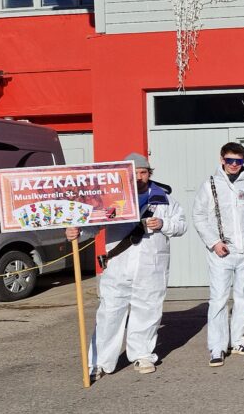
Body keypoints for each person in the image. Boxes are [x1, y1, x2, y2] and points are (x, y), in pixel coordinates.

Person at [65, 152, 187, 379]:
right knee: (109, 313)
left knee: (148, 310)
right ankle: (98, 362)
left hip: (151, 265)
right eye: (134, 173)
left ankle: (142, 355)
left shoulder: (164, 199)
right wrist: (77, 232)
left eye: (143, 172)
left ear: (149, 173)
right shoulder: (110, 198)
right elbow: (93, 226)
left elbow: (181, 225)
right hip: (118, 265)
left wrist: (163, 223)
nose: (139, 177)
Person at [192, 142, 244, 366]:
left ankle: (238, 340)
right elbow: (198, 216)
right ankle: (217, 347)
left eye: (238, 161)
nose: (234, 164)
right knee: (219, 299)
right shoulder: (210, 185)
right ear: (222, 159)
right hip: (221, 253)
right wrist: (214, 242)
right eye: (230, 160)